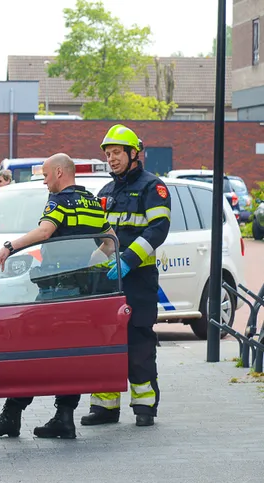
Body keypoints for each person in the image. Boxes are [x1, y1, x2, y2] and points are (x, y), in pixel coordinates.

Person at [0, 154, 115, 439]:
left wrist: (7, 247)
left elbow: (45, 230)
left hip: (56, 289)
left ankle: (11, 415)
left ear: (61, 172)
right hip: (82, 292)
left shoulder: (59, 201)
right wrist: (89, 261)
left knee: (29, 352)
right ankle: (64, 418)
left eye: (47, 175)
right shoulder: (91, 202)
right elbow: (110, 240)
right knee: (70, 356)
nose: (45, 180)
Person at [82, 125, 171, 428]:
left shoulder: (152, 187)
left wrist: (129, 260)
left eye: (117, 152)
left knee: (138, 340)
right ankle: (104, 407)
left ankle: (144, 407)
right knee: (105, 339)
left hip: (139, 278)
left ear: (134, 153)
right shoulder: (105, 192)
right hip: (109, 279)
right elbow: (96, 231)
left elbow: (158, 229)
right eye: (108, 154)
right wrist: (99, 254)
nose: (112, 159)